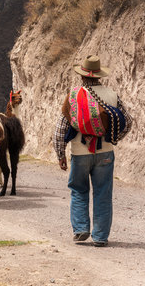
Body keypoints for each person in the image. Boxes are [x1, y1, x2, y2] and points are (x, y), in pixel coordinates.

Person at [53, 55, 132, 247]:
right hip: (105, 152)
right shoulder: (112, 95)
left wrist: (60, 153)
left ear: (82, 76)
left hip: (80, 153)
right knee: (103, 193)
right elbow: (127, 122)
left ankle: (81, 229)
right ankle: (100, 237)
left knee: (79, 190)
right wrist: (112, 138)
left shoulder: (74, 95)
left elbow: (61, 128)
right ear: (99, 76)